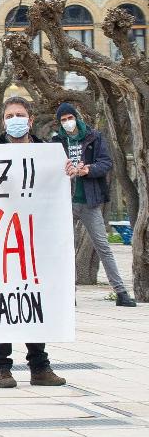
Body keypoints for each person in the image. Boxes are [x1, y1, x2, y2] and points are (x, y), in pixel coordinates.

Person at [0, 96, 67, 389]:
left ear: (31, 120)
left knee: (34, 299)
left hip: (37, 237)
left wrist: (67, 172)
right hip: (0, 237)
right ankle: (1, 368)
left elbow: (57, 185)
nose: (15, 119)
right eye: (10, 115)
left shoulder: (47, 152)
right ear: (3, 121)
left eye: (20, 114)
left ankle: (39, 366)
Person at [53, 101, 136, 308]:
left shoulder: (94, 137)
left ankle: (121, 292)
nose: (67, 123)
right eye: (63, 120)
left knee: (103, 246)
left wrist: (87, 170)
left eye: (69, 118)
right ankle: (67, 293)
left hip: (89, 200)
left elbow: (106, 163)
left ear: (76, 118)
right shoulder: (56, 142)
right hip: (65, 202)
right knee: (65, 249)